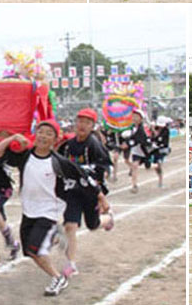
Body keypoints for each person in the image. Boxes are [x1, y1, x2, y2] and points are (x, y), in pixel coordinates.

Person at [0, 119, 108, 296]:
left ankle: (58, 277)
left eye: (48, 134)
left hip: (49, 211)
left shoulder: (59, 162)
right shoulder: (25, 156)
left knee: (35, 247)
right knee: (30, 251)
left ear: (55, 140)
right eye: (41, 132)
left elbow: (84, 179)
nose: (43, 136)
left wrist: (101, 197)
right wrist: (13, 137)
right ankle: (54, 237)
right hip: (28, 211)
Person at [57, 108, 114, 278]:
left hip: (90, 192)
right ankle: (71, 264)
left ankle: (108, 218)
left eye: (87, 123)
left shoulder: (94, 145)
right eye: (80, 121)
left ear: (92, 126)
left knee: (92, 225)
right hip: (73, 192)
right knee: (70, 226)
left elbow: (104, 168)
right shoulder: (67, 146)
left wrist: (99, 193)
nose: (82, 125)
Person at [124, 108, 154, 193]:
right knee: (135, 166)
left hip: (144, 151)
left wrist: (129, 143)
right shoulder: (132, 128)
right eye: (133, 116)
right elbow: (131, 138)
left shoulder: (143, 128)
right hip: (136, 151)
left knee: (151, 166)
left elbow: (139, 139)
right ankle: (134, 185)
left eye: (136, 117)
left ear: (141, 118)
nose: (134, 118)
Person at [150, 116, 170, 187]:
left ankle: (160, 181)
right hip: (155, 150)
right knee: (155, 166)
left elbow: (161, 140)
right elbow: (152, 138)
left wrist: (155, 133)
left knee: (158, 164)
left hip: (162, 149)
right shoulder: (155, 128)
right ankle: (159, 178)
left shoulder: (166, 130)